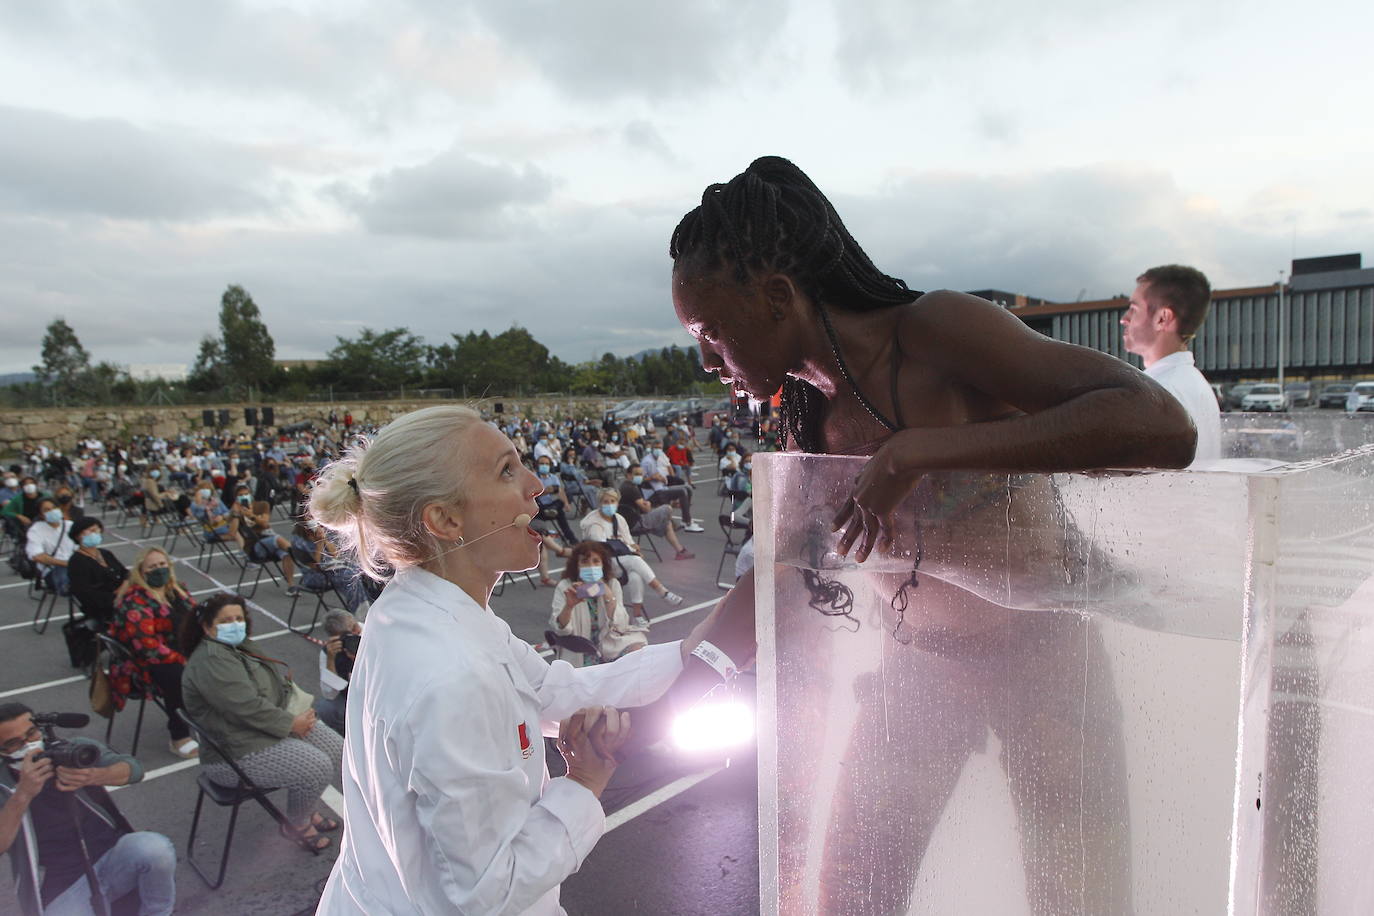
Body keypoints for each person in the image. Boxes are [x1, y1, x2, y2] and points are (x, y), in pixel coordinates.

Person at [660, 156, 1196, 913]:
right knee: (848, 895)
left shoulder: (934, 332)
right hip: (915, 668)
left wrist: (920, 452)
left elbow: (1160, 427)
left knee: (1077, 899)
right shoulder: (807, 411)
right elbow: (779, 568)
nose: (707, 360)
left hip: (1044, 663)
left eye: (712, 332)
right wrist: (685, 675)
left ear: (778, 297)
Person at [309, 404, 715, 914]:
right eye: (506, 471)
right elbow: (488, 891)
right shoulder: (449, 671)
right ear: (445, 519)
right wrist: (584, 782)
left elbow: (548, 691)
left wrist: (697, 648)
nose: (536, 485)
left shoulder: (423, 608)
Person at [181, 593, 343, 850]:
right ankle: (297, 823)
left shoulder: (237, 647)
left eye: (238, 618)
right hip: (234, 752)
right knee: (317, 767)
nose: (234, 624)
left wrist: (300, 713)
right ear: (207, 626)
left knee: (335, 747)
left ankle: (306, 808)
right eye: (225, 620)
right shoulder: (212, 660)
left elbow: (268, 689)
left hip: (260, 729)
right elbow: (245, 708)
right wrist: (291, 723)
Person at [0, 703, 177, 916]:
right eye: (14, 743)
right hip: (61, 880)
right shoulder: (4, 782)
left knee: (155, 848)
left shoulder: (71, 750)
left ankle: (158, 912)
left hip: (111, 855)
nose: (29, 744)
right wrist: (22, 794)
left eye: (32, 733)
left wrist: (94, 775)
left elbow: (134, 769)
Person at [1119, 264, 1222, 464]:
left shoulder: (1159, 392)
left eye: (1134, 309)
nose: (1124, 319)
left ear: (1162, 318)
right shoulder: (1194, 383)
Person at [109, 548, 199, 759]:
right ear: (141, 571)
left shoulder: (177, 590)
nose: (159, 569)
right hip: (147, 662)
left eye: (162, 564)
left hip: (182, 650)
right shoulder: (135, 600)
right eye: (152, 566)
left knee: (230, 656)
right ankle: (179, 737)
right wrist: (184, 660)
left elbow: (197, 618)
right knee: (176, 675)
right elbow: (147, 647)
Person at [579, 488, 685, 617]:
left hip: (621, 560)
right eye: (605, 501)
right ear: (599, 503)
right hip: (602, 565)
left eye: (612, 501)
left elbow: (630, 542)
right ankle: (662, 591)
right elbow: (601, 549)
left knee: (635, 574)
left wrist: (633, 549)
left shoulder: (619, 519)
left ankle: (637, 615)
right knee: (635, 561)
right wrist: (628, 548)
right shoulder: (593, 523)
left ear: (617, 503)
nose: (609, 504)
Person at [549, 542, 648, 666]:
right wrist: (569, 606)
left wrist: (607, 593)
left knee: (638, 652)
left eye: (596, 561)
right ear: (577, 566)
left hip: (608, 644)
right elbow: (561, 630)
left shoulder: (612, 584)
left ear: (603, 565)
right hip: (582, 649)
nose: (591, 566)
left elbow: (620, 624)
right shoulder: (565, 586)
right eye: (585, 562)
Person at [617, 467, 696, 560]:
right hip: (635, 524)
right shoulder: (630, 488)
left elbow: (641, 506)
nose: (640, 476)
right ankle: (672, 525)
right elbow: (646, 509)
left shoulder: (626, 485)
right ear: (629, 475)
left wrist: (648, 505)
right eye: (637, 474)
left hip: (630, 521)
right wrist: (649, 505)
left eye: (641, 474)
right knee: (667, 508)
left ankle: (680, 551)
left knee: (666, 523)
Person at [65, 518, 128, 625]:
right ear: (78, 536)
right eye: (90, 531)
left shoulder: (105, 553)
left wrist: (124, 588)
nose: (94, 533)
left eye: (97, 530)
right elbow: (85, 594)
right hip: (104, 607)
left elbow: (125, 573)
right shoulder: (77, 561)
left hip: (124, 596)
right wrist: (116, 596)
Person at [314, 610, 361, 735]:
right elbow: (329, 694)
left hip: (379, 695)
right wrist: (331, 660)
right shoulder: (330, 651)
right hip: (353, 697)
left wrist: (361, 659)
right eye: (346, 637)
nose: (357, 631)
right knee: (325, 708)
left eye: (356, 628)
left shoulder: (371, 633)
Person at [638, 443, 703, 531]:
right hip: (654, 492)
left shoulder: (656, 459)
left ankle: (684, 519)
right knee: (682, 491)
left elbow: (657, 473)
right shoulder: (647, 461)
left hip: (661, 487)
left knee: (688, 488)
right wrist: (652, 478)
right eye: (656, 447)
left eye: (660, 448)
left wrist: (661, 478)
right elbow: (640, 480)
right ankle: (688, 523)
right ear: (652, 449)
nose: (658, 450)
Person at [25, 499, 74, 595]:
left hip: (76, 565)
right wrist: (64, 563)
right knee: (64, 573)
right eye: (47, 510)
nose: (52, 511)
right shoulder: (36, 530)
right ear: (41, 515)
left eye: (54, 508)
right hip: (54, 569)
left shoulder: (70, 525)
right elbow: (37, 555)